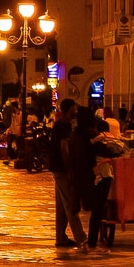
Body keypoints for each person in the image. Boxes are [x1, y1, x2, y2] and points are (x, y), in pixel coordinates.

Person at [49, 99, 88, 249]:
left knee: (61, 204)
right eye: (74, 108)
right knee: (70, 203)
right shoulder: (64, 124)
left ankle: (61, 237)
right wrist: (70, 169)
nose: (76, 111)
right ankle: (81, 238)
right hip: (62, 168)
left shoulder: (60, 123)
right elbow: (64, 148)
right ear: (70, 108)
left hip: (56, 166)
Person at [88, 110, 125, 249]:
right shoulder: (114, 139)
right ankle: (94, 238)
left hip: (99, 174)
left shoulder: (97, 139)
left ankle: (92, 240)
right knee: (100, 204)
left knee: (97, 207)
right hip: (108, 174)